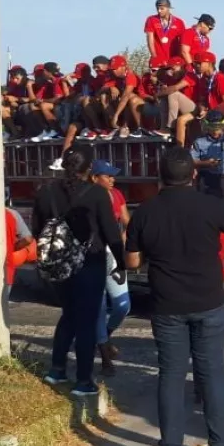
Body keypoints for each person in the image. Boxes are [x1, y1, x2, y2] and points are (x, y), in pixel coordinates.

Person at [125, 146, 224, 446]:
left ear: (160, 178)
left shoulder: (144, 212)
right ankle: (220, 445)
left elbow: (132, 261)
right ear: (193, 175)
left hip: (167, 304)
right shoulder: (210, 205)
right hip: (209, 300)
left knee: (170, 375)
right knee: (211, 374)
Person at [33, 144, 126, 395]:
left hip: (58, 265)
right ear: (89, 168)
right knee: (87, 321)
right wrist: (121, 264)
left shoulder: (46, 192)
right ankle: (84, 381)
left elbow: (37, 231)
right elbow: (111, 233)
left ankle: (57, 370)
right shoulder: (96, 194)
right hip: (90, 263)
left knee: (69, 315)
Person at [91, 160, 131, 377]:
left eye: (113, 176)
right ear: (95, 177)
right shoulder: (88, 198)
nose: (113, 180)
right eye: (108, 176)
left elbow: (125, 220)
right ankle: (105, 356)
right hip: (96, 254)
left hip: (114, 253)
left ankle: (104, 337)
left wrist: (127, 238)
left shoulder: (116, 195)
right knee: (99, 306)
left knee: (122, 305)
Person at [191, 111, 224, 209]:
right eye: (212, 127)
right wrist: (206, 163)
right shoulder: (199, 142)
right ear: (206, 126)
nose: (215, 131)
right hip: (205, 180)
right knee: (204, 209)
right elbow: (191, 160)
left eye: (218, 127)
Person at [2, 204, 35, 327]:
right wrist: (14, 247)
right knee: (1, 306)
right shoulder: (11, 214)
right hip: (6, 267)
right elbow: (27, 239)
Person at [157, 57, 198, 146]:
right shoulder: (174, 78)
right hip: (185, 108)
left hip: (195, 108)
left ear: (180, 67)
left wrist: (158, 94)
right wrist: (161, 93)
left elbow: (174, 88)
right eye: (169, 69)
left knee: (173, 94)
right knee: (164, 98)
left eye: (173, 68)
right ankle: (164, 128)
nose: (171, 71)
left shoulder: (189, 75)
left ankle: (171, 127)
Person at [145, 0, 187, 64]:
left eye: (162, 8)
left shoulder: (179, 22)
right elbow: (150, 40)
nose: (159, 11)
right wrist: (155, 57)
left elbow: (183, 42)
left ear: (168, 8)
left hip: (174, 60)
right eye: (157, 8)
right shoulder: (151, 20)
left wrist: (179, 58)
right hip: (158, 59)